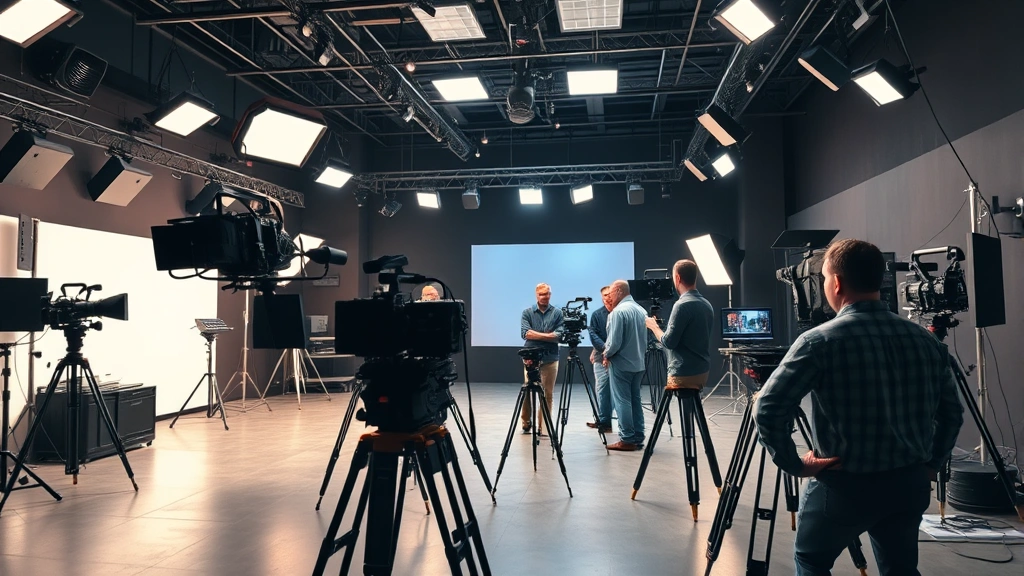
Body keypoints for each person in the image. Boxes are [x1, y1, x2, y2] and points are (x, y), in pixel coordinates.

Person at [753, 239, 964, 576]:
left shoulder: (818, 341)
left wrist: (794, 464)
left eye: (823, 279)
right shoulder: (927, 341)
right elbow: (952, 414)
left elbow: (768, 408)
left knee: (811, 561)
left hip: (844, 486)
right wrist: (931, 465)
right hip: (908, 484)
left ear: (835, 283)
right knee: (901, 569)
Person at [644, 260, 714, 390]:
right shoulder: (706, 304)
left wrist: (653, 326)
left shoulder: (682, 305)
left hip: (683, 372)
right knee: (691, 409)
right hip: (702, 371)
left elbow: (668, 342)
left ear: (678, 278)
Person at [602, 280, 648, 451]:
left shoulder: (617, 313)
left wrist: (605, 354)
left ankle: (627, 439)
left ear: (619, 291)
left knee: (622, 400)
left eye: (611, 293)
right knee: (635, 400)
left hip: (621, 363)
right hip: (638, 363)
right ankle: (638, 436)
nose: (610, 297)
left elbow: (614, 343)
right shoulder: (641, 310)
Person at [520, 283, 564, 435]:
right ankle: (526, 421)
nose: (545, 297)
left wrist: (537, 334)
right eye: (542, 294)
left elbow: (559, 335)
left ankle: (544, 427)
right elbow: (526, 334)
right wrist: (548, 335)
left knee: (548, 393)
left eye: (548, 294)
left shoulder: (557, 313)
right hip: (530, 357)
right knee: (527, 389)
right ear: (536, 295)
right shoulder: (527, 312)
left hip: (551, 357)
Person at [586, 286, 614, 432]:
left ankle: (609, 420)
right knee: (601, 389)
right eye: (604, 295)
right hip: (600, 355)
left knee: (616, 390)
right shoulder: (597, 314)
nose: (607, 297)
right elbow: (594, 334)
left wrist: (609, 352)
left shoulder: (619, 313)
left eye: (609, 294)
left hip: (617, 356)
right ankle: (604, 420)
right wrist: (604, 351)